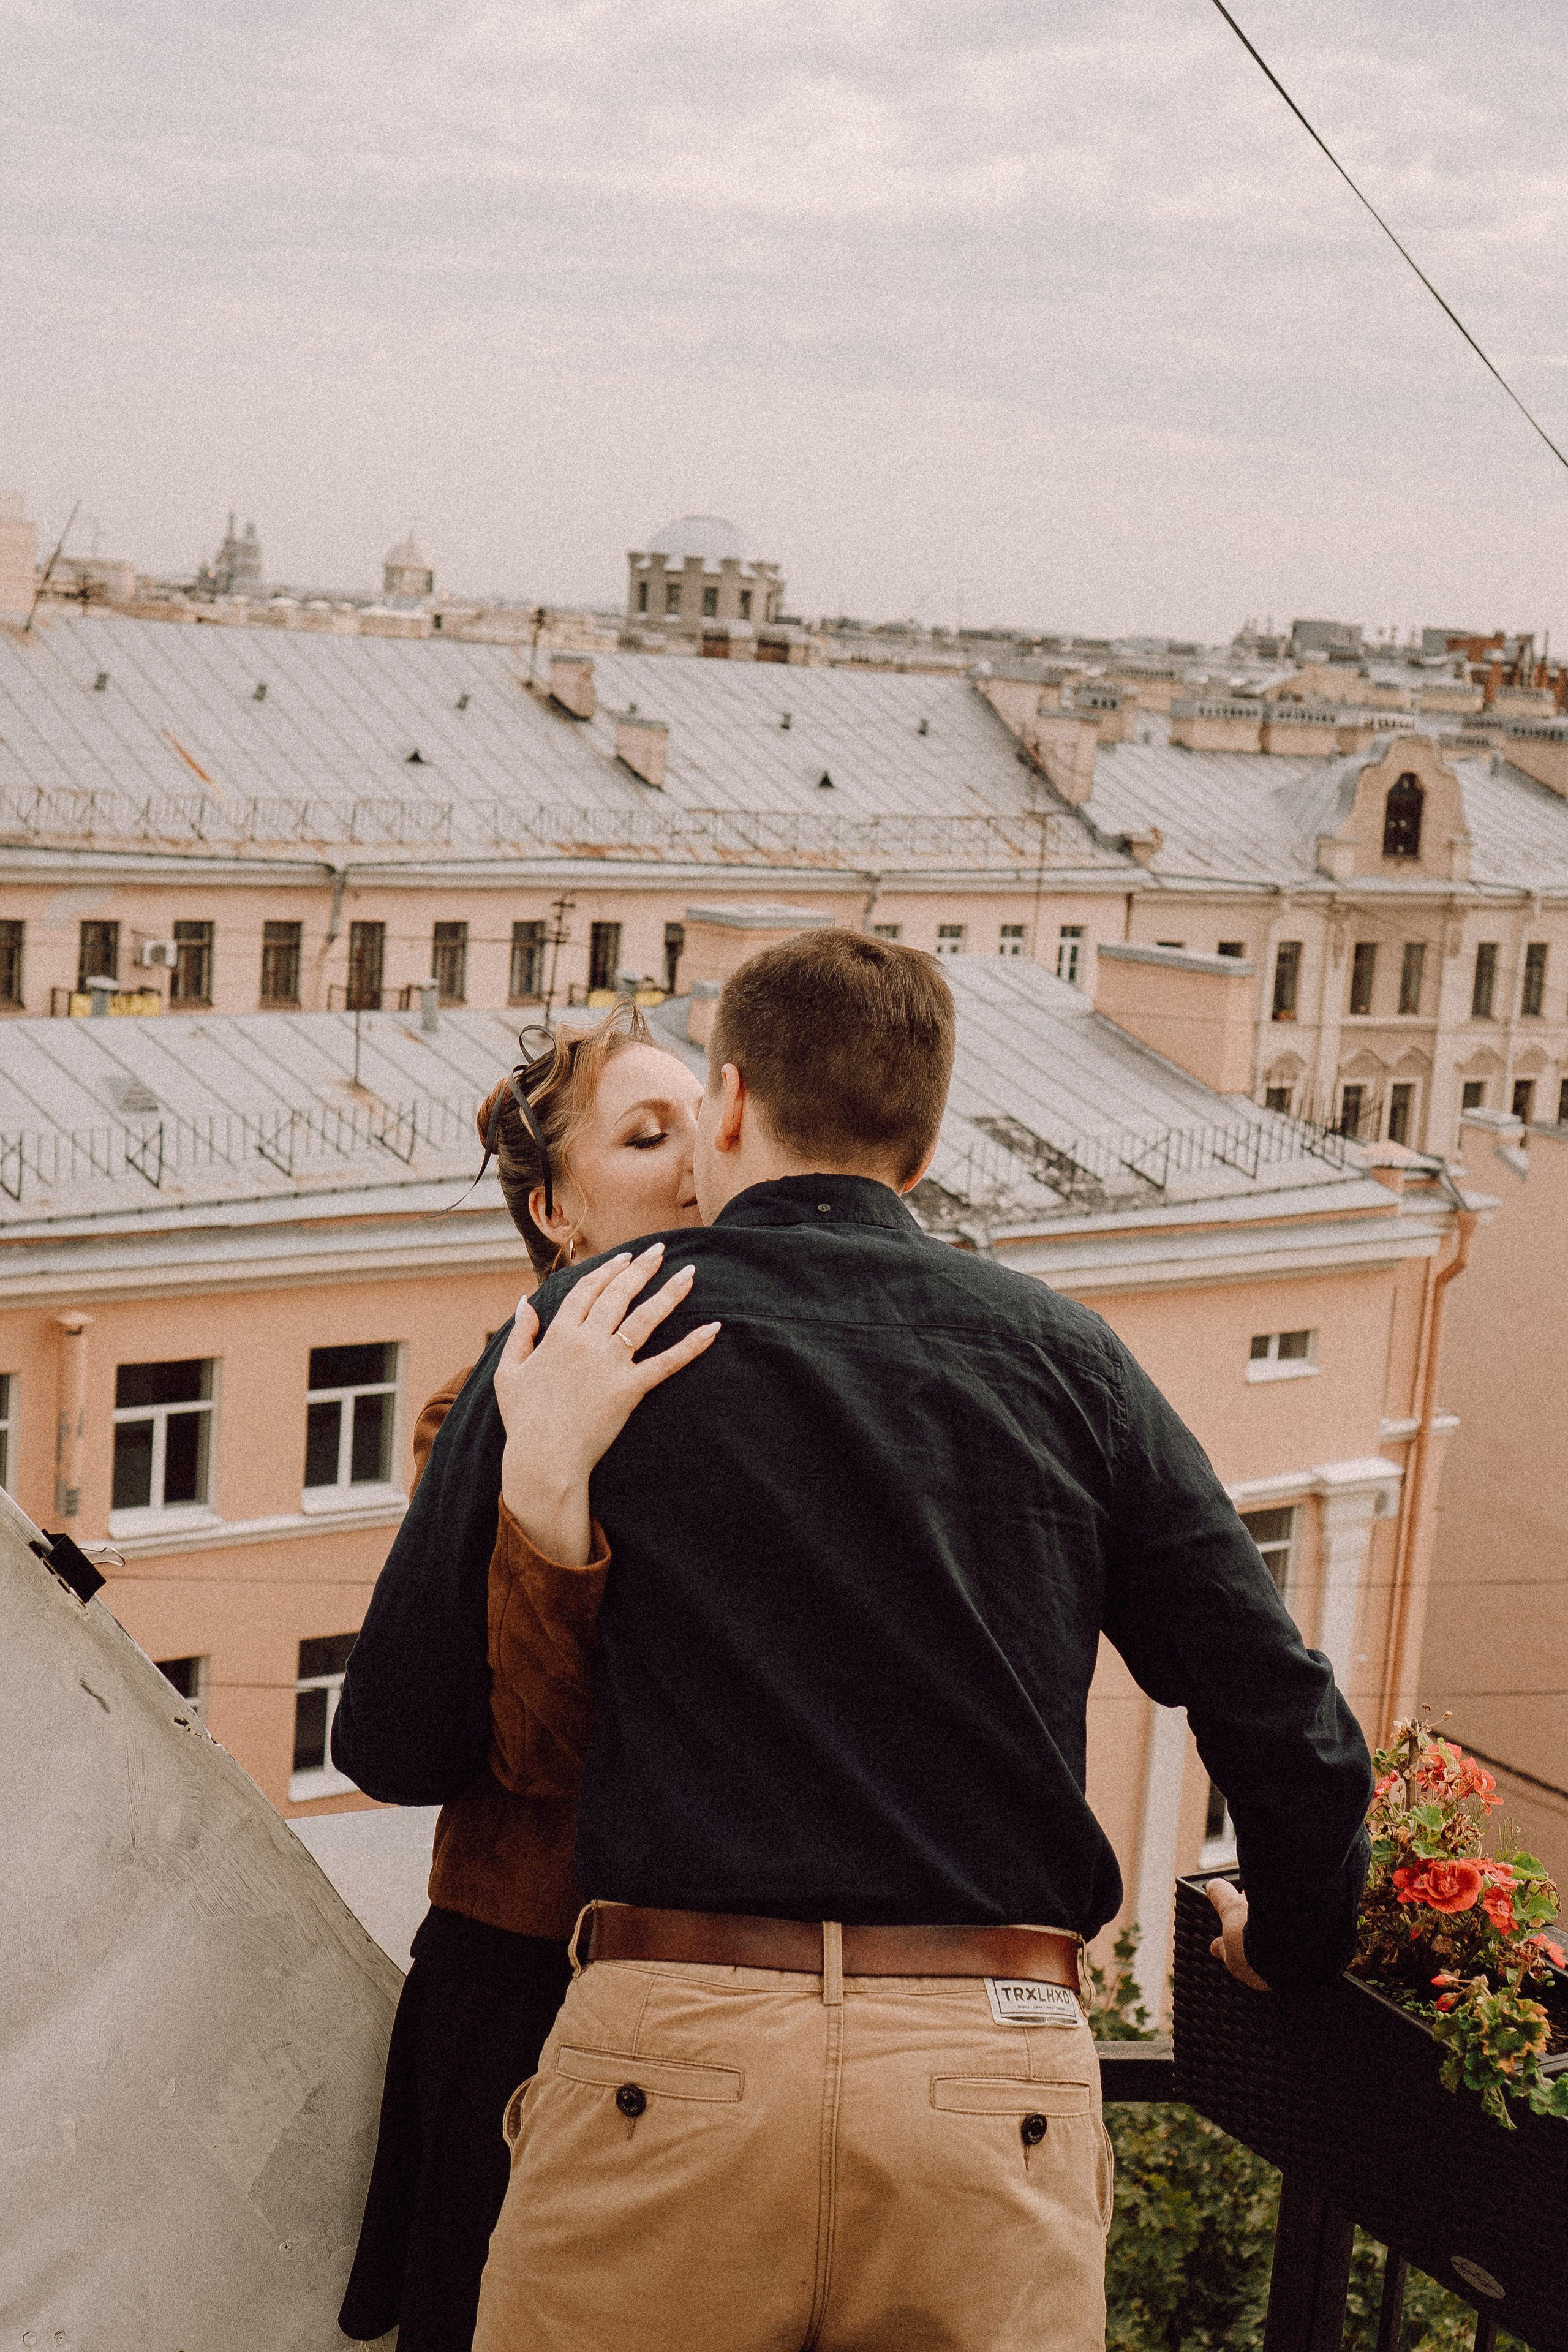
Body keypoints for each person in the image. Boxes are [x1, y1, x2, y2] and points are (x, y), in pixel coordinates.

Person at [340, 932, 1374, 2352]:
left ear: (729, 1102)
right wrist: (1299, 1941)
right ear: (930, 1136)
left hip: (672, 2061)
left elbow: (391, 1736)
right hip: (985, 2070)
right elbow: (1286, 1719)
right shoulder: (1065, 1360)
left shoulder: (571, 1339)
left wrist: (544, 1510)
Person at [336, 1005, 716, 2352]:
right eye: (644, 1134)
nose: (694, 1161)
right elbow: (405, 1737)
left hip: (708, 2009)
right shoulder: (487, 1406)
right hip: (527, 1988)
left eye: (705, 1123)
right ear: (555, 1210)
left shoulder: (768, 1391)